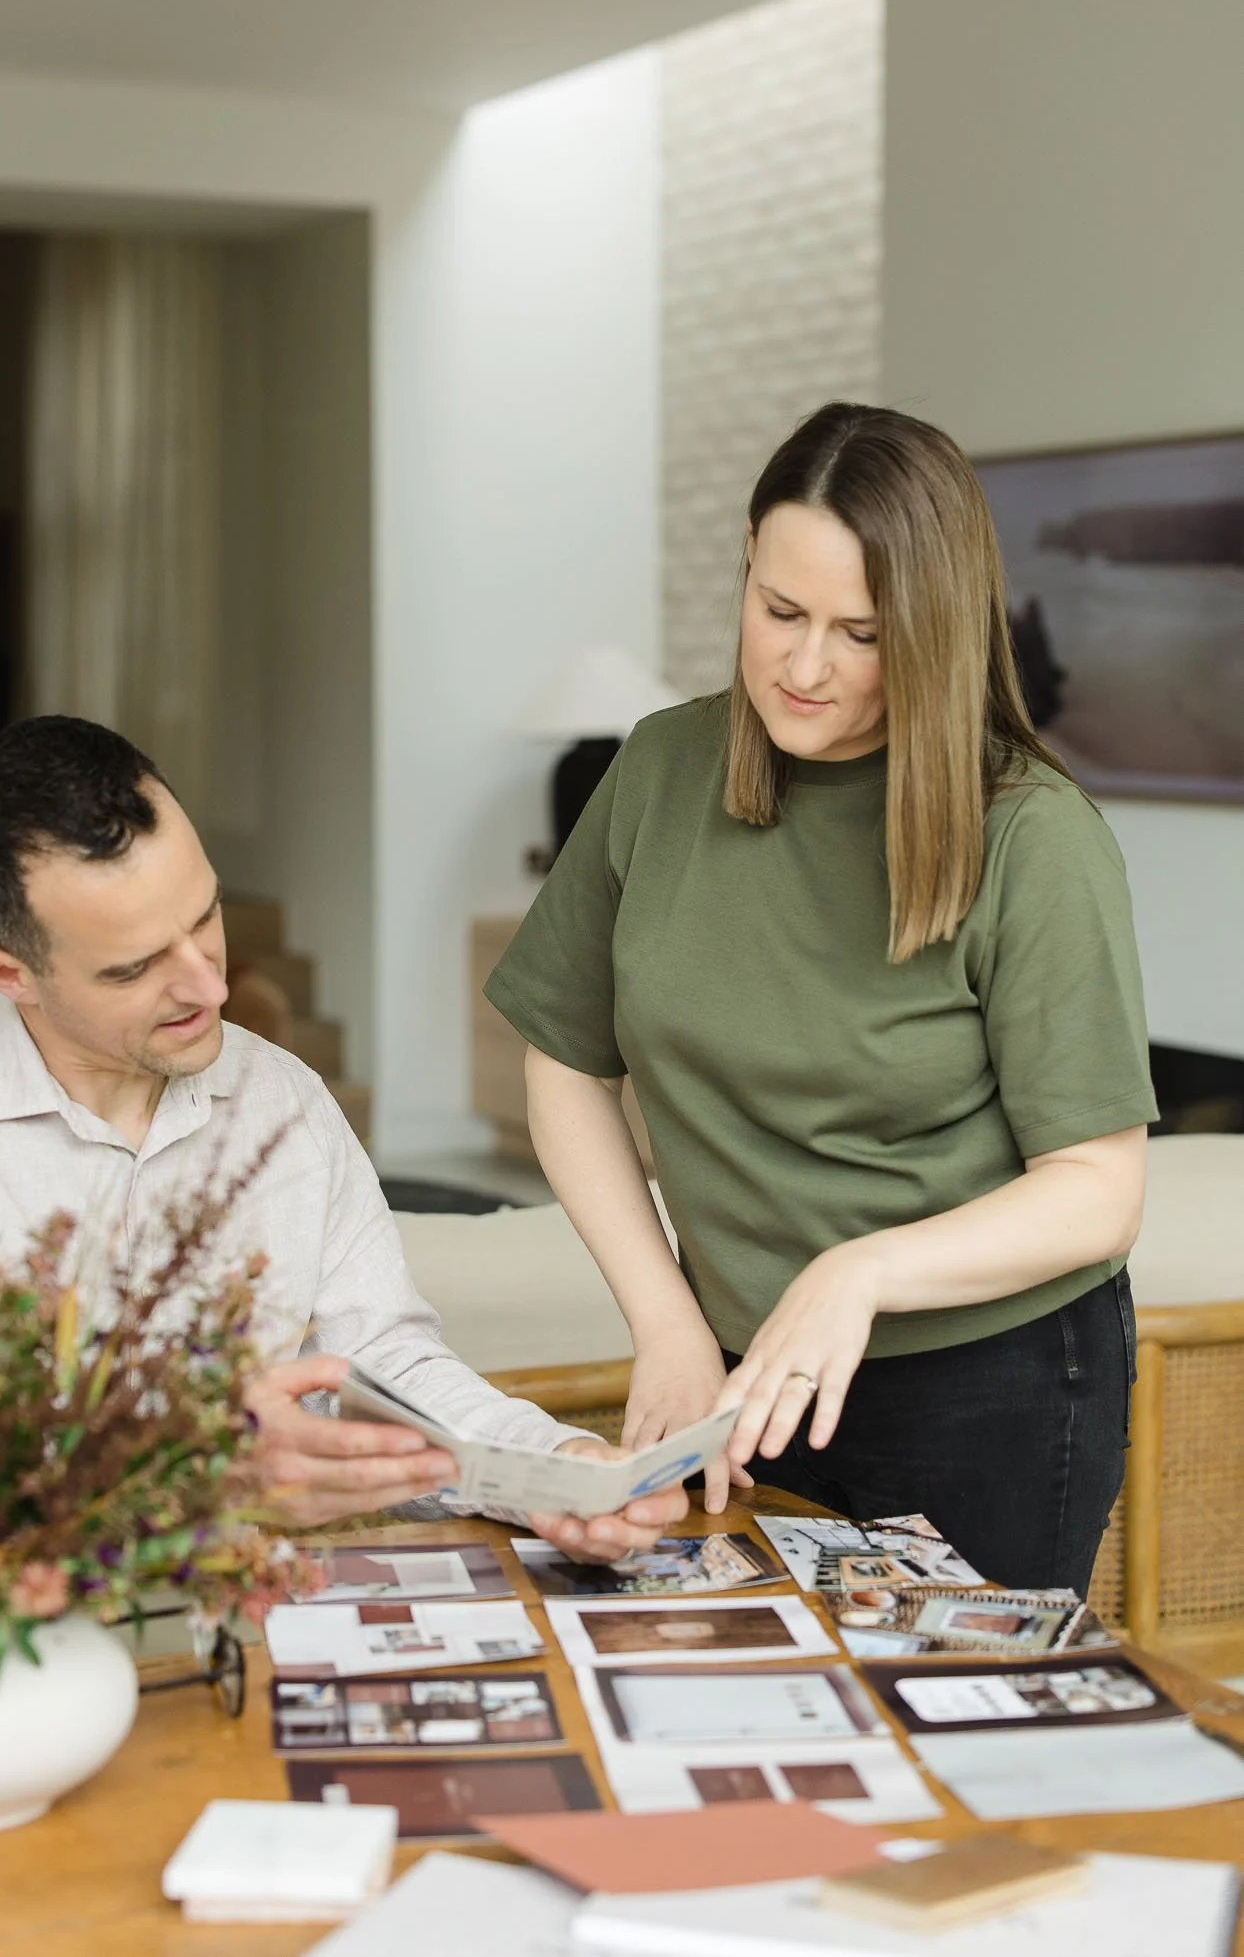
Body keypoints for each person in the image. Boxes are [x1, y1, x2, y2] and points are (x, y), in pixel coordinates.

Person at [486, 402, 1155, 1593]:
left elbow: (1097, 1193)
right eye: (779, 610)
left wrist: (859, 1271)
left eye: (861, 633)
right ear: (745, 567)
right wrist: (670, 1321)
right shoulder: (657, 771)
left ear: (937, 631)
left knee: (950, 1742)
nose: (804, 667)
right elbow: (564, 1061)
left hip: (989, 1382)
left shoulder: (1033, 838)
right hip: (741, 1369)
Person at [0, 716, 686, 1562]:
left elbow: (389, 1371)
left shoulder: (283, 1099)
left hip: (236, 1653)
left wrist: (551, 1470)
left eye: (205, 916)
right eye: (136, 966)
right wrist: (193, 1479)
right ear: (10, 974)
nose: (210, 987)